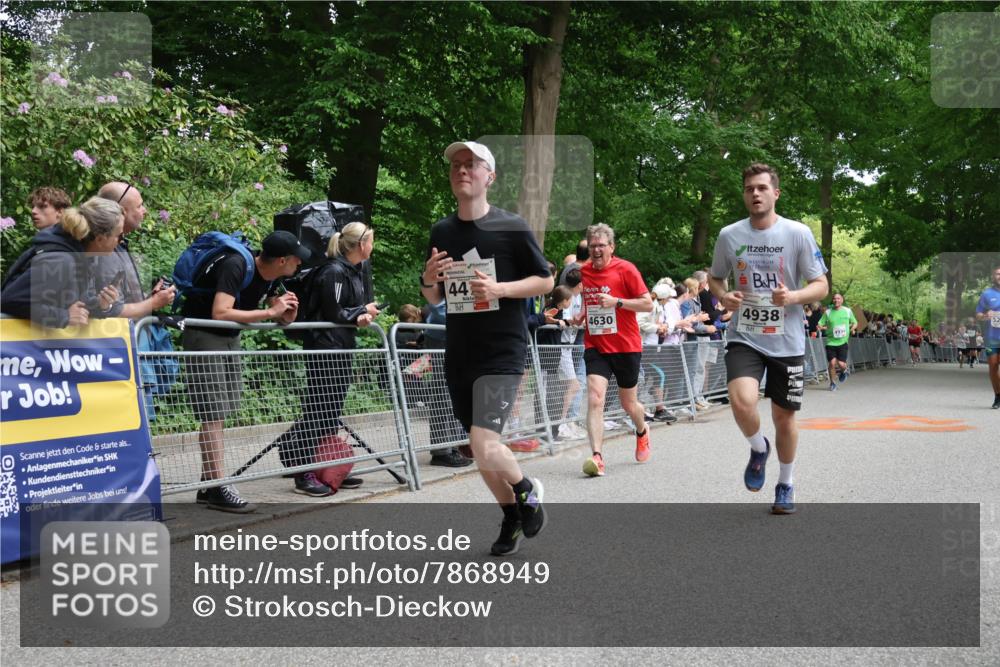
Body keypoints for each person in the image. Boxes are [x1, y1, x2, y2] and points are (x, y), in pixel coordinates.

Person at [421, 140, 551, 556]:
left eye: (471, 165)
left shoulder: (511, 227)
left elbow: (545, 281)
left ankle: (528, 493)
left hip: (502, 350)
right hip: (460, 352)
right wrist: (427, 278)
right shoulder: (442, 231)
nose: (462, 170)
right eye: (456, 165)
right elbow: (435, 299)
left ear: (489, 176)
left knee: (485, 442)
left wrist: (500, 289)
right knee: (480, 452)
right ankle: (512, 514)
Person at [709, 163, 828, 514]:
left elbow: (821, 285)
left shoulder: (797, 233)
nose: (755, 194)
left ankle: (786, 483)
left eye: (762, 188)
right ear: (744, 194)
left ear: (775, 193)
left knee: (784, 418)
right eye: (749, 189)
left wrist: (792, 297)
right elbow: (716, 279)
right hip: (746, 334)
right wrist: (723, 296)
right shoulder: (729, 235)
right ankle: (759, 448)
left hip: (787, 340)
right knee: (742, 400)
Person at [183, 230, 308, 512]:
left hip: (229, 338)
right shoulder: (236, 265)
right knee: (212, 414)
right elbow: (221, 311)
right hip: (206, 335)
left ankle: (209, 482)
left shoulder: (273, 277)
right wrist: (269, 314)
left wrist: (284, 315)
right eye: (296, 260)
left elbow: (269, 310)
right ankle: (218, 486)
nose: (299, 265)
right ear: (282, 260)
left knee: (220, 412)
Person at [268, 223, 382, 495]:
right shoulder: (334, 271)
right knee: (320, 409)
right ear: (361, 244)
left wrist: (361, 315)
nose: (373, 247)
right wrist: (360, 312)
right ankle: (303, 470)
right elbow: (334, 313)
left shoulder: (354, 271)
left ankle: (325, 466)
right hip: (325, 347)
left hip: (341, 346)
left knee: (330, 411)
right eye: (372, 242)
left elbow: (347, 313)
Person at [574, 223, 653, 477]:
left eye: (601, 245)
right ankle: (597, 457)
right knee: (595, 398)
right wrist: (583, 312)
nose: (596, 250)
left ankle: (641, 430)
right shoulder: (583, 272)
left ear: (612, 247)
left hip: (626, 345)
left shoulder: (626, 269)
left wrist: (617, 302)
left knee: (629, 404)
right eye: (592, 245)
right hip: (596, 344)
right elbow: (588, 300)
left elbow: (647, 304)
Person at [1, 197, 122, 327]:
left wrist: (100, 305)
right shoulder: (60, 260)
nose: (122, 241)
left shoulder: (78, 254)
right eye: (119, 235)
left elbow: (71, 304)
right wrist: (64, 317)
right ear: (99, 239)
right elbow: (11, 300)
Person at [96, 182, 176, 318]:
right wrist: (153, 303)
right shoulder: (105, 251)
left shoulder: (118, 244)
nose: (145, 210)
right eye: (139, 206)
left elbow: (121, 300)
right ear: (122, 211)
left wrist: (150, 298)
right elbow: (112, 311)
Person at [817, 293, 857, 391]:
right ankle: (832, 383)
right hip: (831, 342)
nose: (836, 300)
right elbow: (819, 323)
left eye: (838, 298)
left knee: (841, 364)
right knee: (832, 362)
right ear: (833, 301)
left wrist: (852, 328)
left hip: (843, 342)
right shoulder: (828, 312)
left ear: (842, 300)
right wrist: (820, 327)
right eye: (834, 299)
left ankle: (844, 371)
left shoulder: (848, 311)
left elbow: (855, 322)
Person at [974, 265, 1000, 409]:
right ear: (993, 276)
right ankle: (998, 396)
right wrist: (985, 315)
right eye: (997, 274)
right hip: (992, 336)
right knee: (993, 365)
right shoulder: (987, 294)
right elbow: (978, 315)